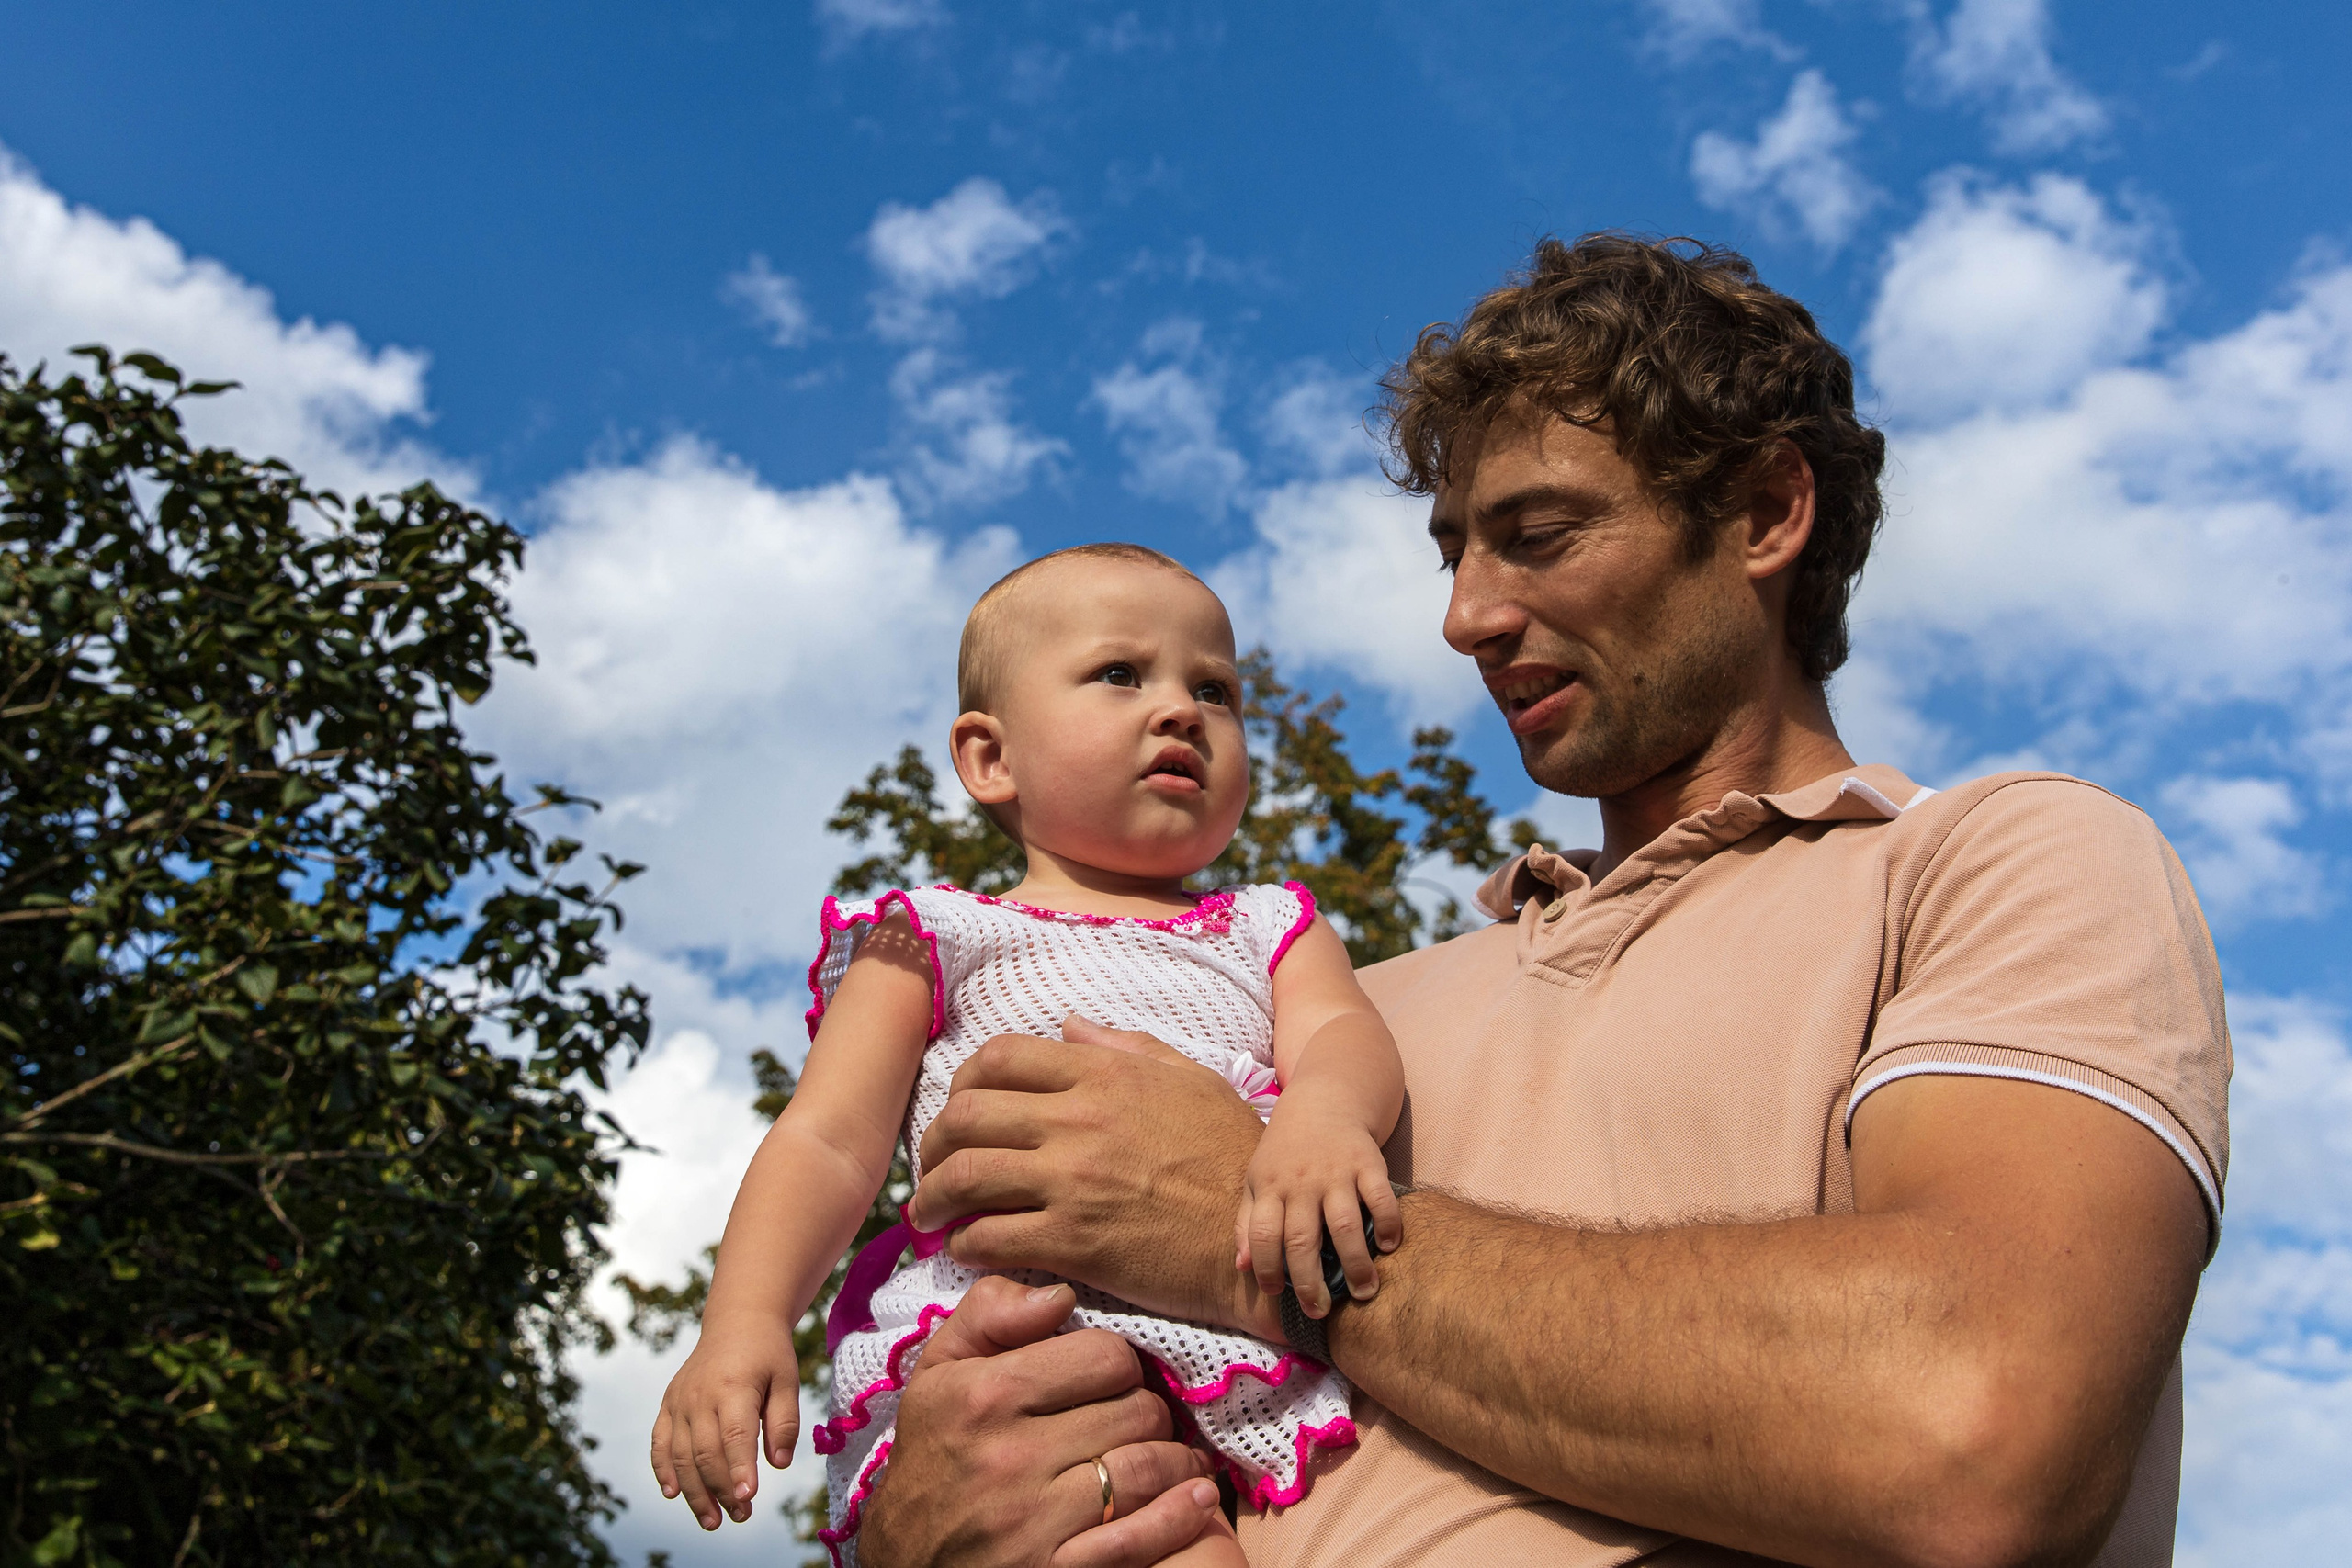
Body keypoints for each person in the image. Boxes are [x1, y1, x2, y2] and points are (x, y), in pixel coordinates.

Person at [851, 235, 2230, 1568]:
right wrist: (921, 1523)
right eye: (1456, 549)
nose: (1465, 614)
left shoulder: (2002, 863)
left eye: (1540, 535)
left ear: (1764, 512)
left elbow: (1975, 1429)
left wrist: (1237, 1224)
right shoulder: (1337, 1011)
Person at [648, 543, 1409, 1566]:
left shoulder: (1270, 923)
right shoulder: (935, 931)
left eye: (1216, 690)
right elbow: (830, 1139)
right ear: (990, 760)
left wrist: (1325, 1118)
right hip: (1019, 1333)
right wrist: (744, 1320)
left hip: (1242, 1312)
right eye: (1120, 674)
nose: (1182, 709)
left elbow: (1343, 1037)